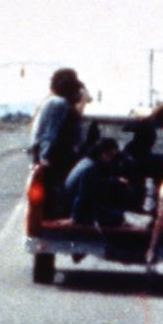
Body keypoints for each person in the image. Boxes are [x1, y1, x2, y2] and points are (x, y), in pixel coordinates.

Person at [29, 68, 88, 217]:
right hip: (53, 161)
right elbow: (50, 133)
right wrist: (45, 158)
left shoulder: (55, 102)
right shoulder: (58, 103)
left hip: (53, 159)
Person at [65, 137, 129, 226]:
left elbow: (96, 182)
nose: (111, 160)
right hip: (80, 210)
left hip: (74, 203)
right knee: (121, 216)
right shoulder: (90, 168)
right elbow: (82, 195)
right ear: (103, 153)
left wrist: (115, 181)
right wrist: (74, 218)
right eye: (110, 155)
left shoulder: (86, 162)